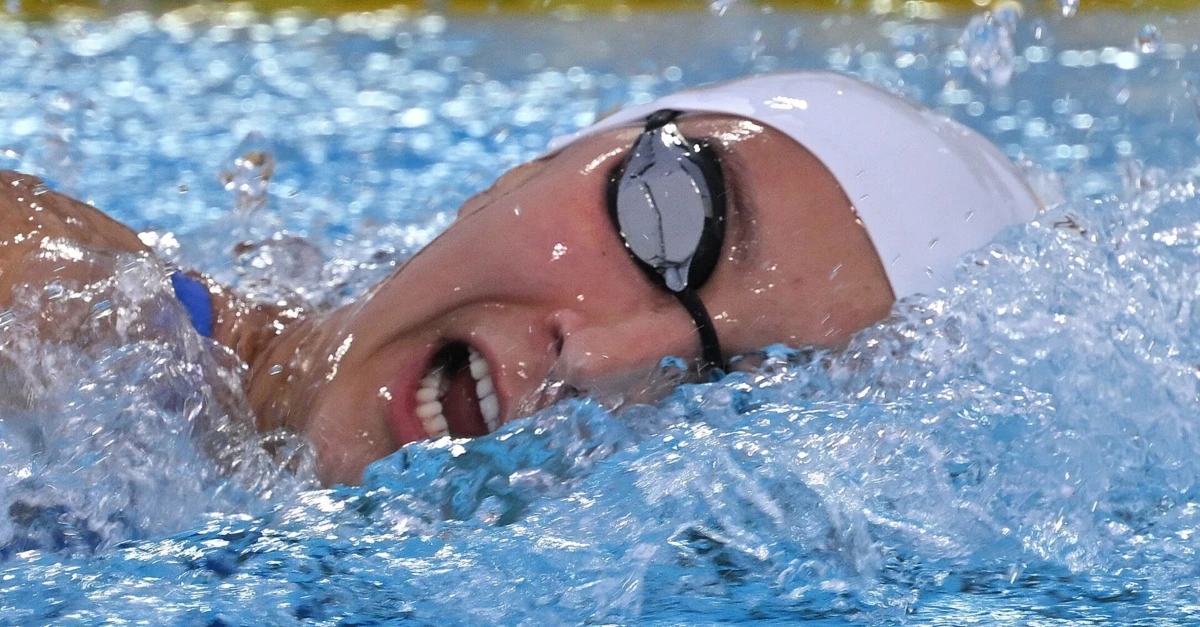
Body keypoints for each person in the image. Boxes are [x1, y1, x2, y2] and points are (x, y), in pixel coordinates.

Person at [0, 70, 1040, 485]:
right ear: (527, 165)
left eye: (743, 387)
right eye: (667, 217)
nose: (602, 357)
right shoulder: (66, 315)